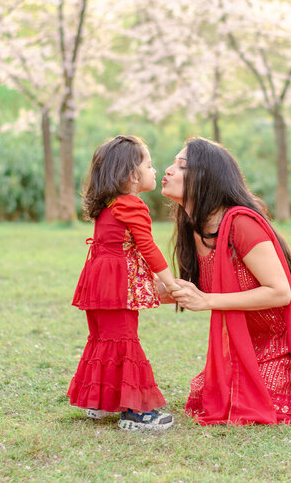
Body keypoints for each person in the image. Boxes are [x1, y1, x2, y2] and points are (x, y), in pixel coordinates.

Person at [160, 137, 291, 432]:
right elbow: (197, 290)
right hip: (258, 331)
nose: (168, 170)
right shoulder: (191, 225)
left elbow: (280, 292)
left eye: (181, 165)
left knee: (252, 402)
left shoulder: (240, 223)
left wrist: (207, 301)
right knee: (209, 395)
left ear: (207, 176)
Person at [67, 135, 180, 431]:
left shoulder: (109, 203)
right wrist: (172, 283)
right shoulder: (132, 205)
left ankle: (100, 401)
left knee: (105, 337)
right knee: (124, 339)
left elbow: (122, 246)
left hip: (98, 281)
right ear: (132, 175)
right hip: (117, 285)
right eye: (150, 165)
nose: (155, 171)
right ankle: (136, 413)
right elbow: (147, 247)